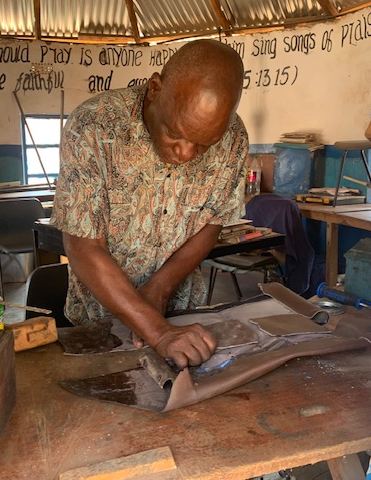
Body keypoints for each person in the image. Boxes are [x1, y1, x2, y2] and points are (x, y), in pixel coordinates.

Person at [51, 39, 248, 369]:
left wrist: (158, 290)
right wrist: (157, 332)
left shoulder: (234, 136)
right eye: (174, 133)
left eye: (202, 145)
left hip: (184, 313)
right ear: (155, 88)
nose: (185, 154)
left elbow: (212, 221)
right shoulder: (93, 125)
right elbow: (83, 244)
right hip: (99, 324)